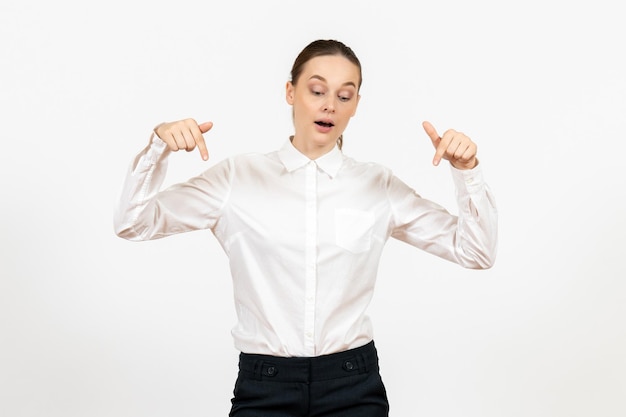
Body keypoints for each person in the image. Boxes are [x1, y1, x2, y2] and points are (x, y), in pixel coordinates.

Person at [114, 39, 497, 417]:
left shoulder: (377, 186)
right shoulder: (238, 177)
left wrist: (467, 174)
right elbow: (133, 223)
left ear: (355, 107)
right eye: (317, 90)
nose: (330, 104)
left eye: (344, 96)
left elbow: (475, 251)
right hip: (266, 385)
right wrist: (157, 148)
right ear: (290, 92)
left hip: (353, 386)